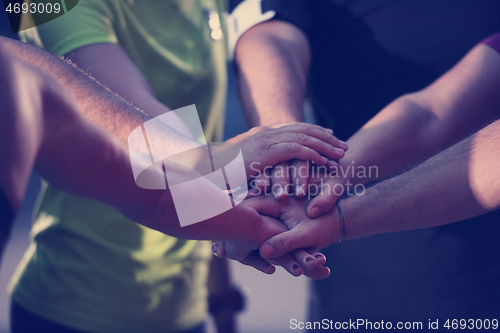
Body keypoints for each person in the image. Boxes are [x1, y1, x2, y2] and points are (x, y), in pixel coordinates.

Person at [6, 1, 343, 332]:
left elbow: (192, 147)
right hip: (72, 309)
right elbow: (137, 135)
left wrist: (222, 294)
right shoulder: (47, 5)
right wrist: (230, 172)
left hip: (184, 308)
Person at [224, 0, 500, 326]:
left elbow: (433, 117)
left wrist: (222, 203)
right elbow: (429, 115)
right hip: (357, 285)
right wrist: (293, 159)